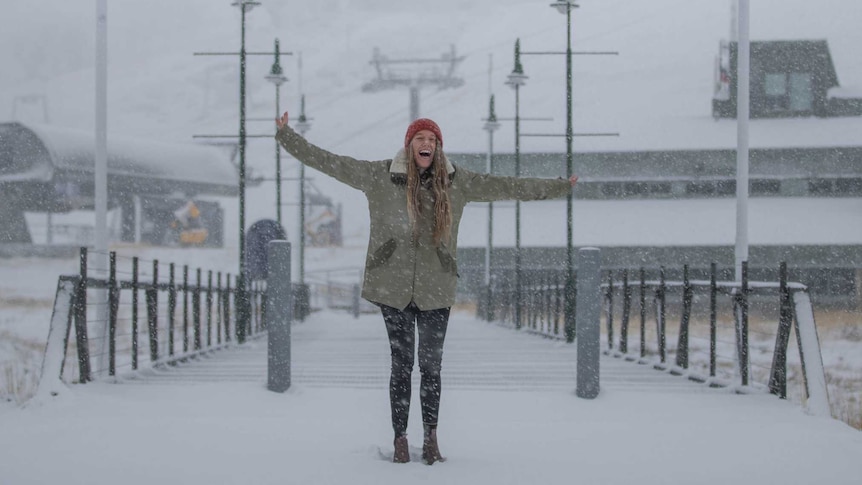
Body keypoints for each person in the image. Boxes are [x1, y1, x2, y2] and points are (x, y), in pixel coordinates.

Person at [275, 113, 577, 465]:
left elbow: (509, 186)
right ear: (409, 145)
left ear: (438, 147)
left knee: (431, 366)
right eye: (420, 138)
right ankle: (401, 438)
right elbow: (330, 162)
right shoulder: (381, 175)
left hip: (436, 287)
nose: (426, 144)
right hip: (393, 286)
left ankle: (431, 438)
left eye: (432, 140)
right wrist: (288, 137)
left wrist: (560, 186)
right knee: (402, 364)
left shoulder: (456, 182)